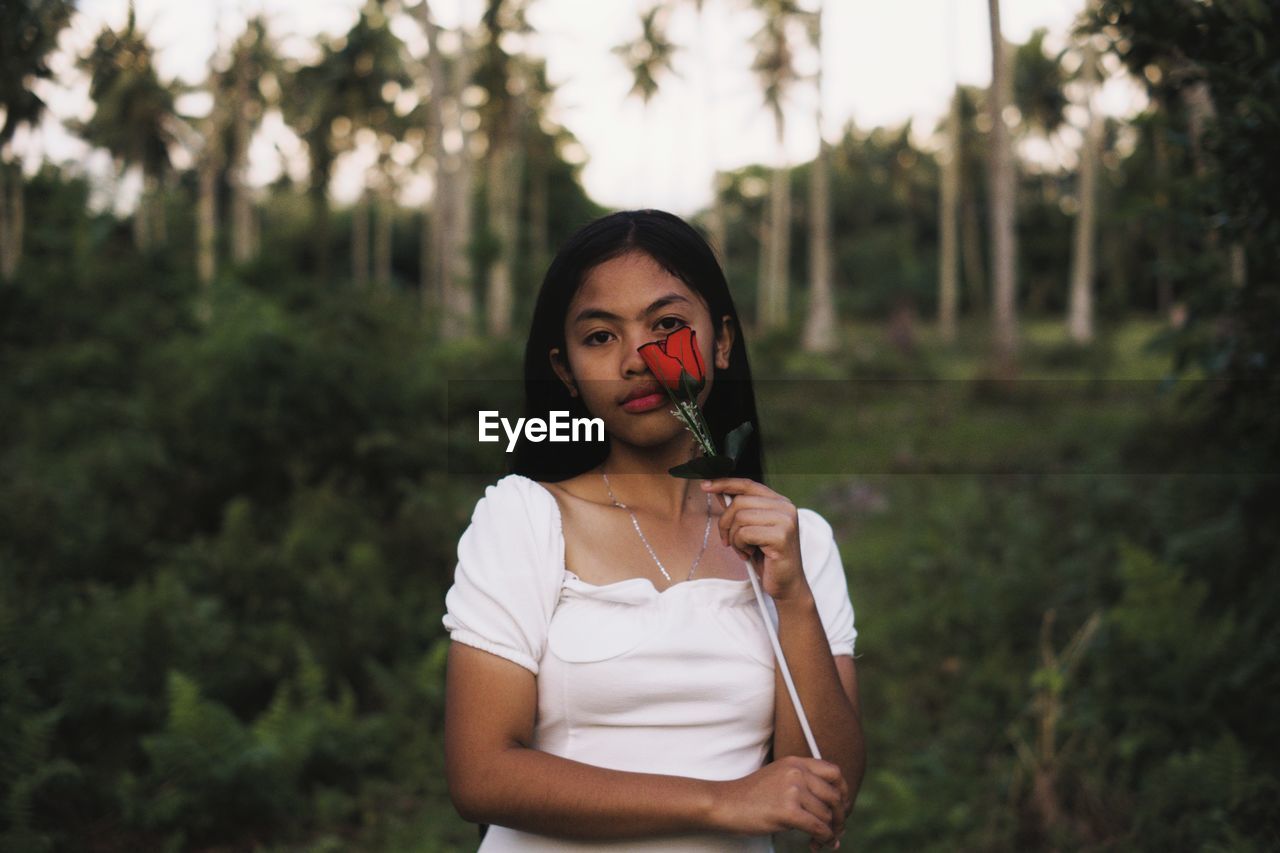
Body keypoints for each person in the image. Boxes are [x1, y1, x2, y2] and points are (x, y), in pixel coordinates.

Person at [442, 209, 865, 851]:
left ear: (720, 342)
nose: (640, 361)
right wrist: (719, 801)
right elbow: (481, 775)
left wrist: (795, 601)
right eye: (600, 338)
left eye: (667, 326)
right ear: (566, 373)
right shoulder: (524, 518)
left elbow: (828, 794)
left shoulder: (797, 542)